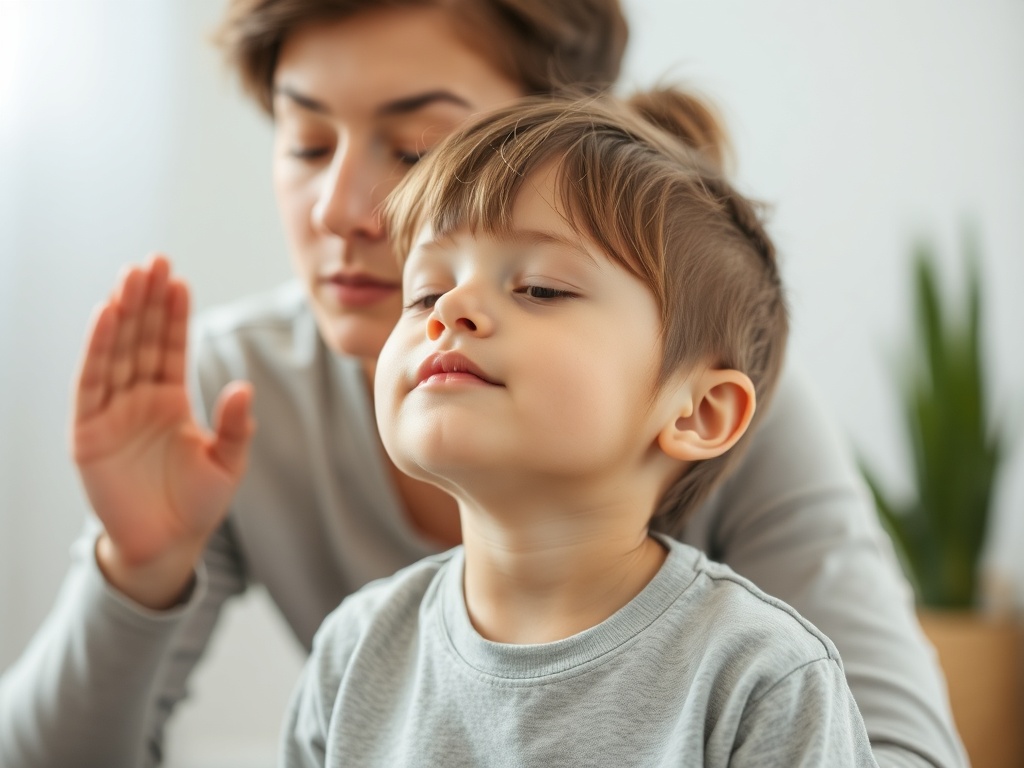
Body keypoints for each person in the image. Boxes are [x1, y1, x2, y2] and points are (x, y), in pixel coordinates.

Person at [0, 1, 965, 767]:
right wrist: (136, 570)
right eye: (304, 142)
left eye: (418, 147)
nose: (343, 208)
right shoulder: (236, 410)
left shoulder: (725, 437)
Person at [280, 87, 877, 766]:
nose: (451, 309)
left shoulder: (761, 680)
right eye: (424, 291)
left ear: (698, 411)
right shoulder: (353, 650)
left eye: (539, 288)